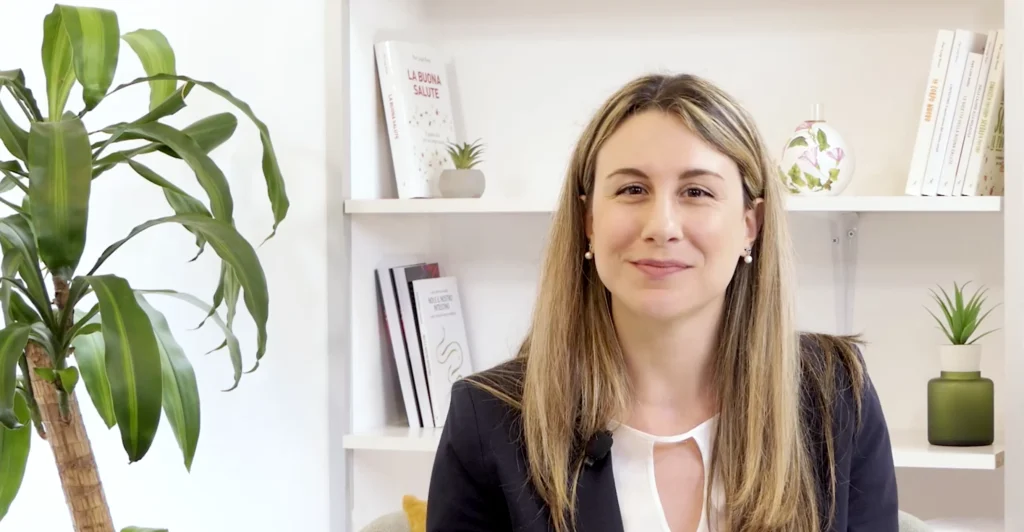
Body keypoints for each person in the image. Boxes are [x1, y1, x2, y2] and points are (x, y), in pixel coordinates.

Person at [425, 73, 899, 532]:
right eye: (632, 190)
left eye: (697, 192)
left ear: (749, 225)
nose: (662, 225)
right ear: (589, 219)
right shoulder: (488, 418)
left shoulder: (836, 395)